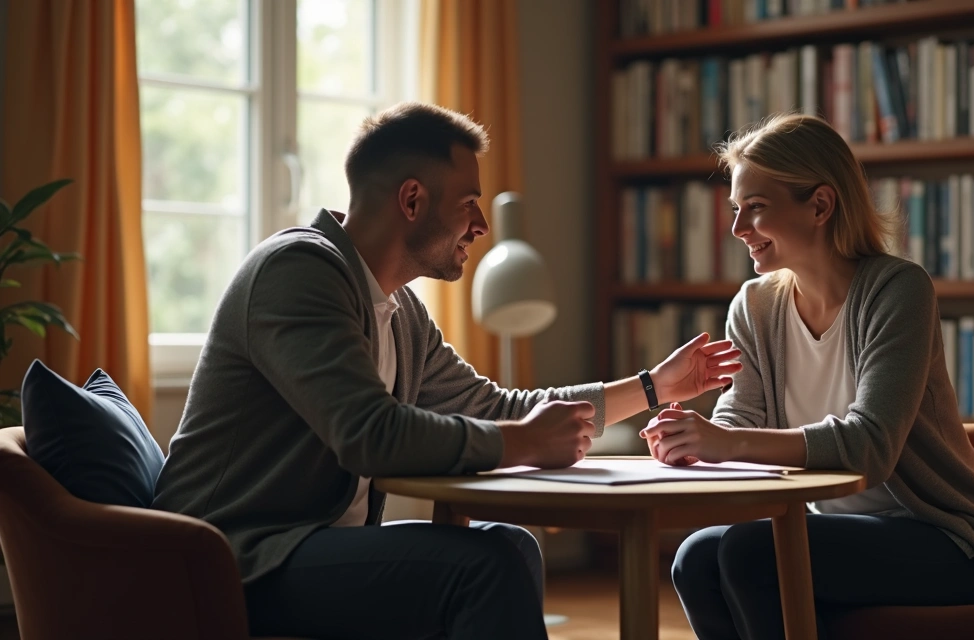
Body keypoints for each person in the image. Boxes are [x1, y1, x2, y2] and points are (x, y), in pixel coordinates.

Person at [152, 101, 742, 640]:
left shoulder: (399, 308)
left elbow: (494, 408)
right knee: (483, 567)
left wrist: (652, 387)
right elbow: (370, 436)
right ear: (411, 201)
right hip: (233, 561)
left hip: (306, 549)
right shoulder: (298, 270)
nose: (481, 226)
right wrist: (520, 442)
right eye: (468, 205)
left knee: (508, 547)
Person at [640, 113, 974, 639]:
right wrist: (692, 439)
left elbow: (870, 446)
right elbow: (742, 417)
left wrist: (725, 440)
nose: (737, 230)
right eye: (736, 210)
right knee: (695, 557)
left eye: (755, 209)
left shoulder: (898, 290)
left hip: (948, 540)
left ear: (820, 204)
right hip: (834, 530)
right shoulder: (756, 305)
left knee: (750, 553)